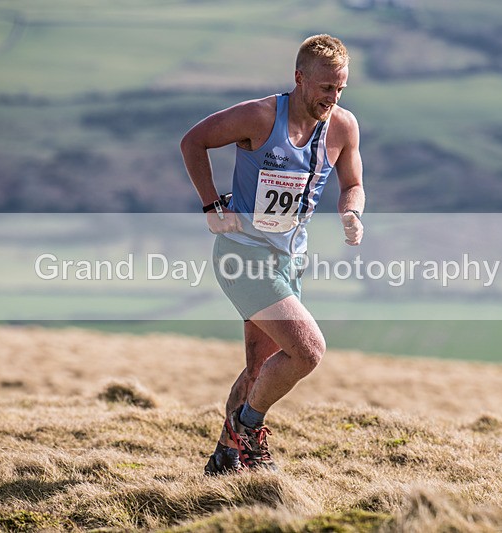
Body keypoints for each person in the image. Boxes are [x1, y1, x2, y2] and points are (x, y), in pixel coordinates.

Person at [180, 34, 365, 474]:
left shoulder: (343, 126)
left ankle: (225, 459)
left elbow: (353, 184)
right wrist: (210, 206)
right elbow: (193, 141)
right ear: (300, 78)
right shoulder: (260, 116)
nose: (332, 98)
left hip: (288, 260)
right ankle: (249, 430)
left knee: (259, 369)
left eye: (340, 89)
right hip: (243, 254)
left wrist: (352, 213)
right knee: (308, 351)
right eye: (325, 88)